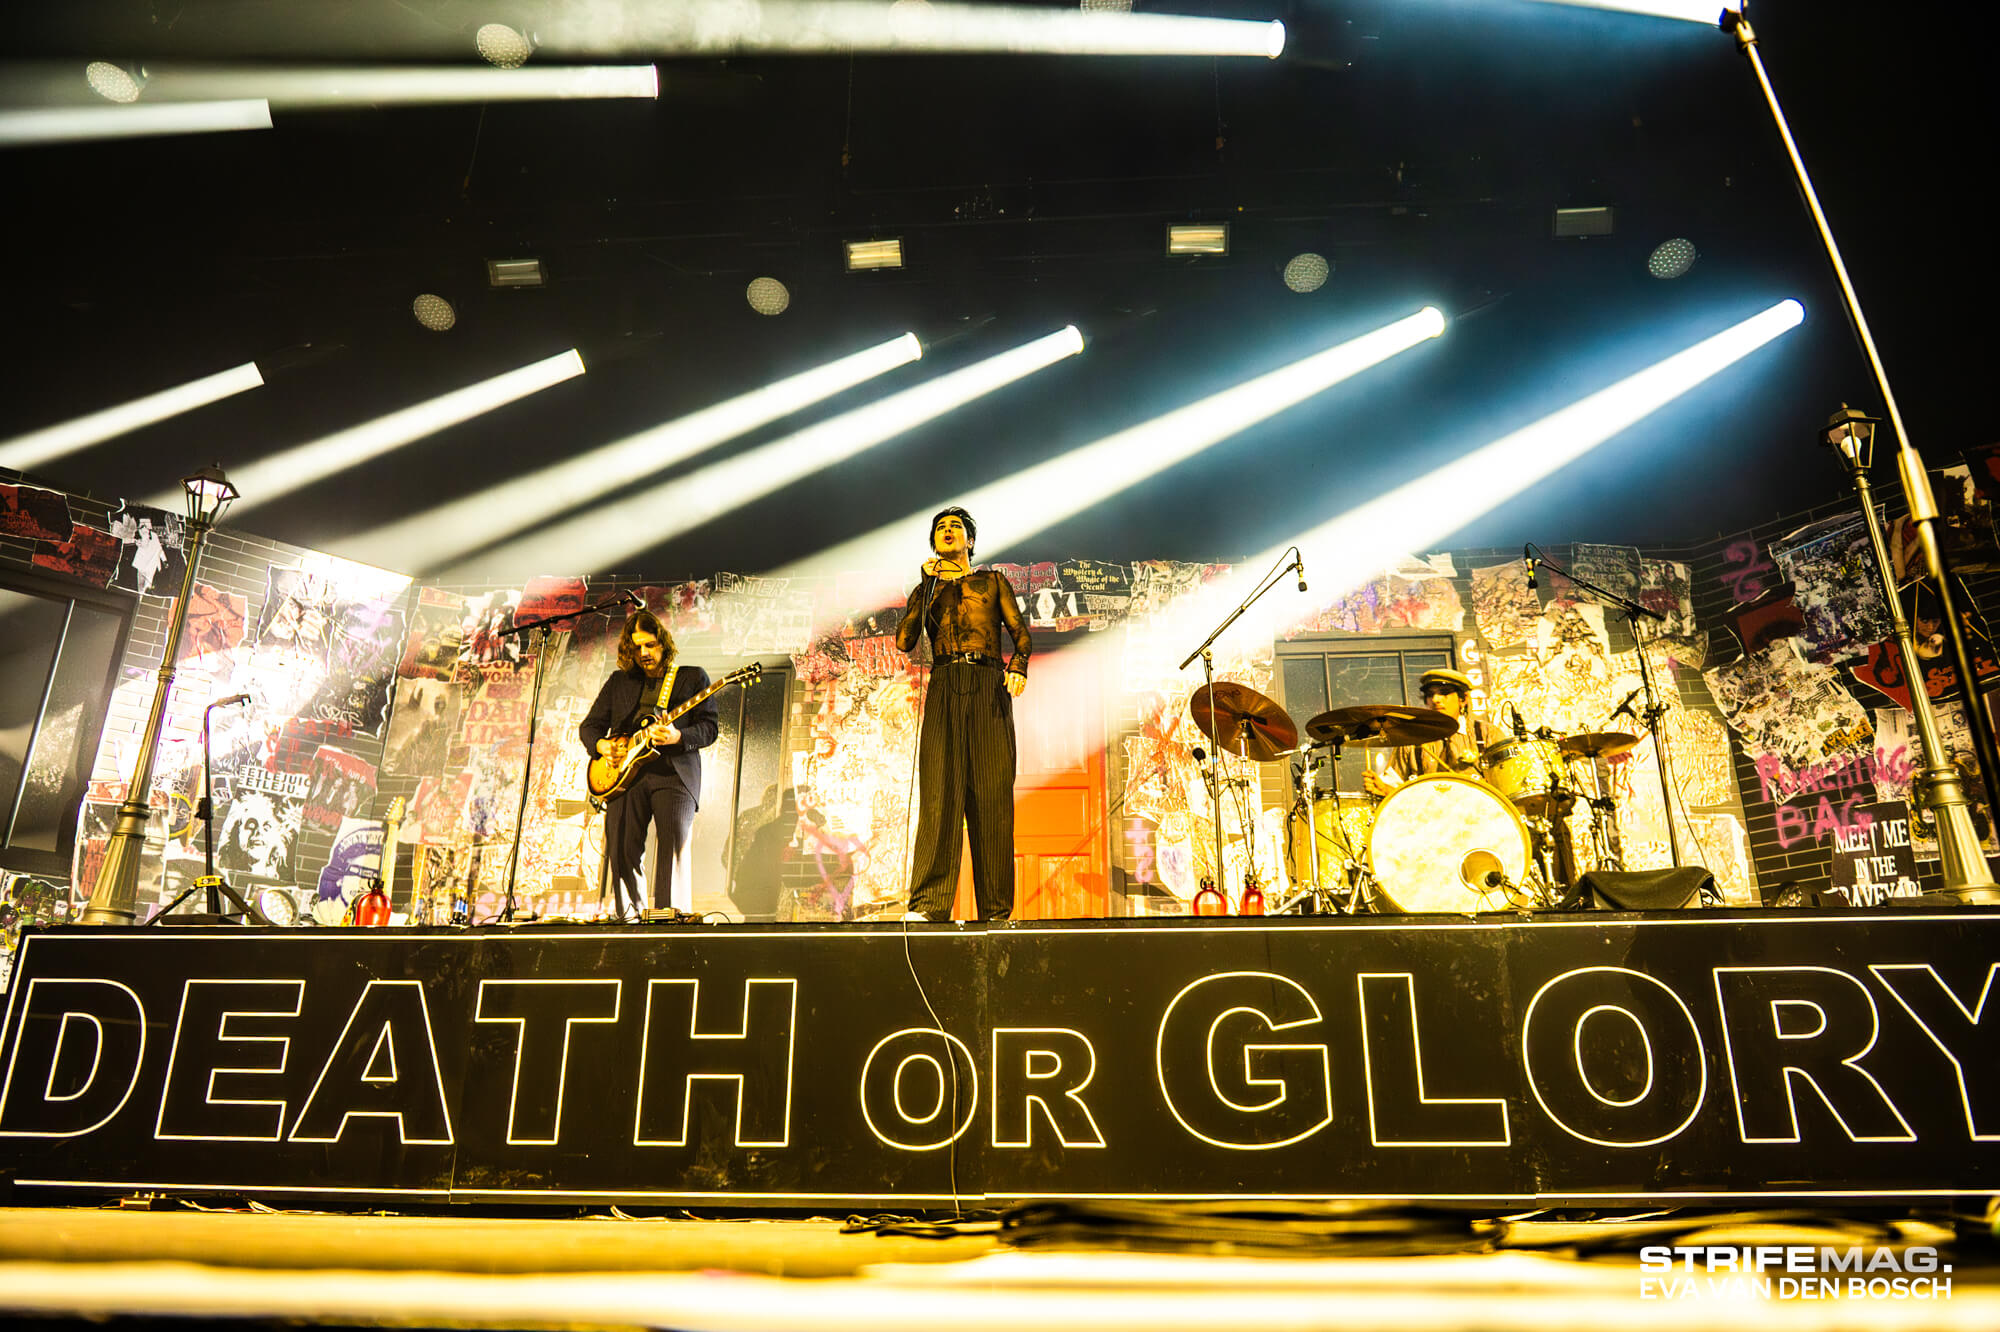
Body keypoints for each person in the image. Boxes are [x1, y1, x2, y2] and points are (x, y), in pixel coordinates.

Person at [896, 507, 1030, 922]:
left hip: (988, 681)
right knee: (939, 793)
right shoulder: (927, 590)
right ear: (934, 542)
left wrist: (1018, 666)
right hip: (944, 684)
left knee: (991, 796)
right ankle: (928, 906)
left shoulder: (992, 581)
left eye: (956, 528)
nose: (948, 532)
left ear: (969, 540)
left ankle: (996, 909)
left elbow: (1020, 633)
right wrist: (926, 582)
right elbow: (905, 641)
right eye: (941, 528)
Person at [580, 609, 719, 917]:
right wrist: (604, 746)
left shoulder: (691, 677)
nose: (644, 653)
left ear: (663, 644)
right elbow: (589, 727)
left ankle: (671, 924)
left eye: (650, 645)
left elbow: (709, 728)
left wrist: (676, 736)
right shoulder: (619, 682)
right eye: (637, 646)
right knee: (621, 851)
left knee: (672, 852)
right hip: (624, 775)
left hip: (673, 773)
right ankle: (627, 921)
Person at [1363, 667, 1497, 796]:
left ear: (1463, 699)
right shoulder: (1411, 739)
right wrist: (1383, 788)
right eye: (1430, 695)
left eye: (1444, 693)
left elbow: (1509, 784)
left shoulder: (1487, 734)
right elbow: (1395, 787)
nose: (1435, 699)